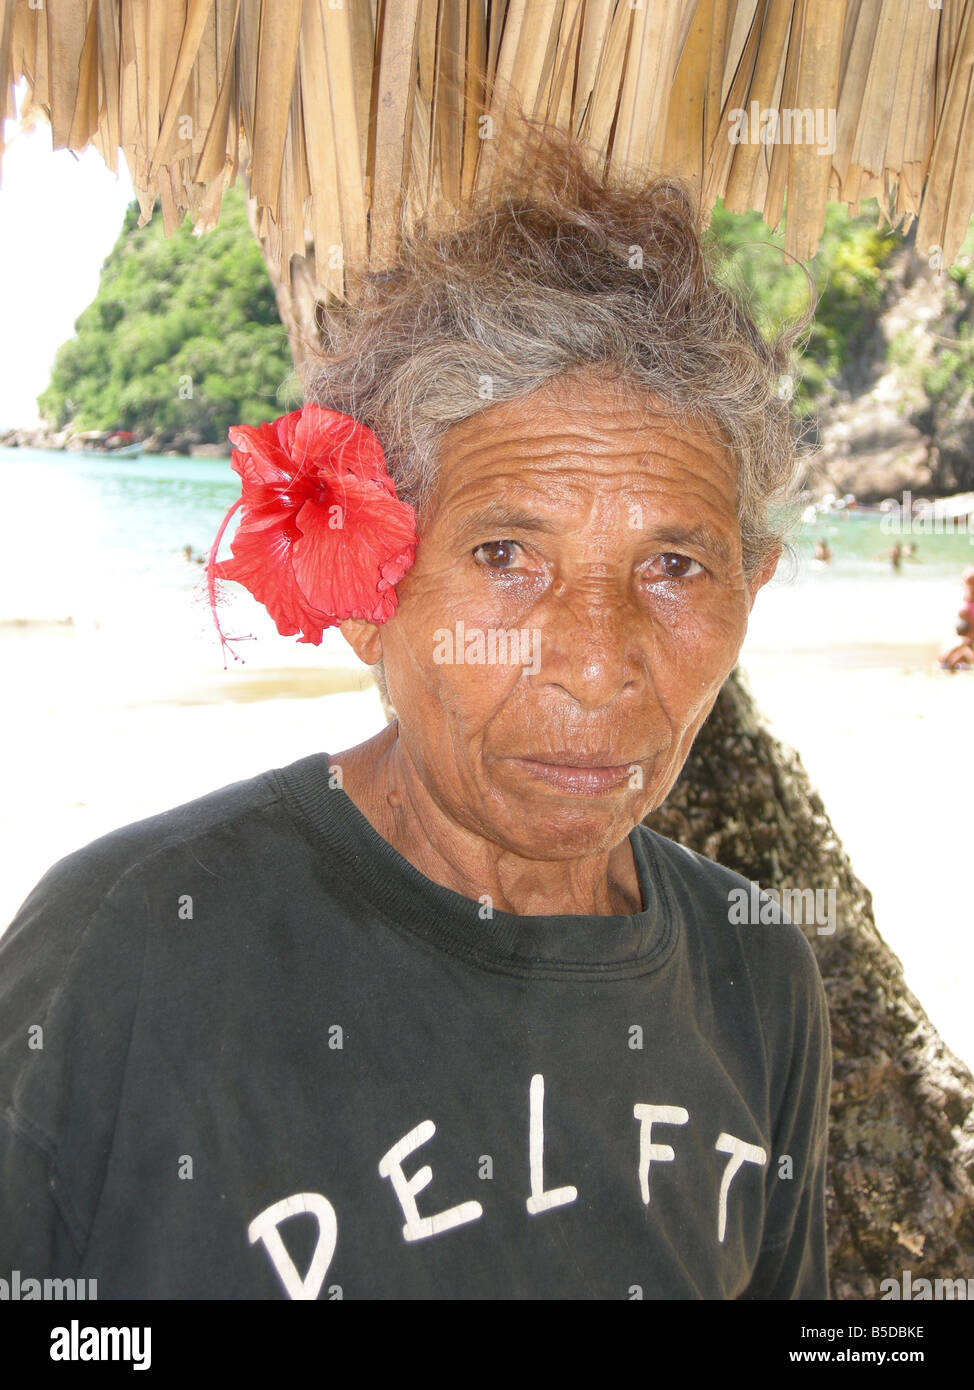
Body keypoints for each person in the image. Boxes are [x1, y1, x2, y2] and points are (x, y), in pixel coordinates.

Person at [0, 134, 830, 1300]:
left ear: (751, 591)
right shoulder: (131, 948)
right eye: (506, 554)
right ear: (364, 592)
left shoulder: (755, 968)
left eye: (674, 566)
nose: (596, 666)